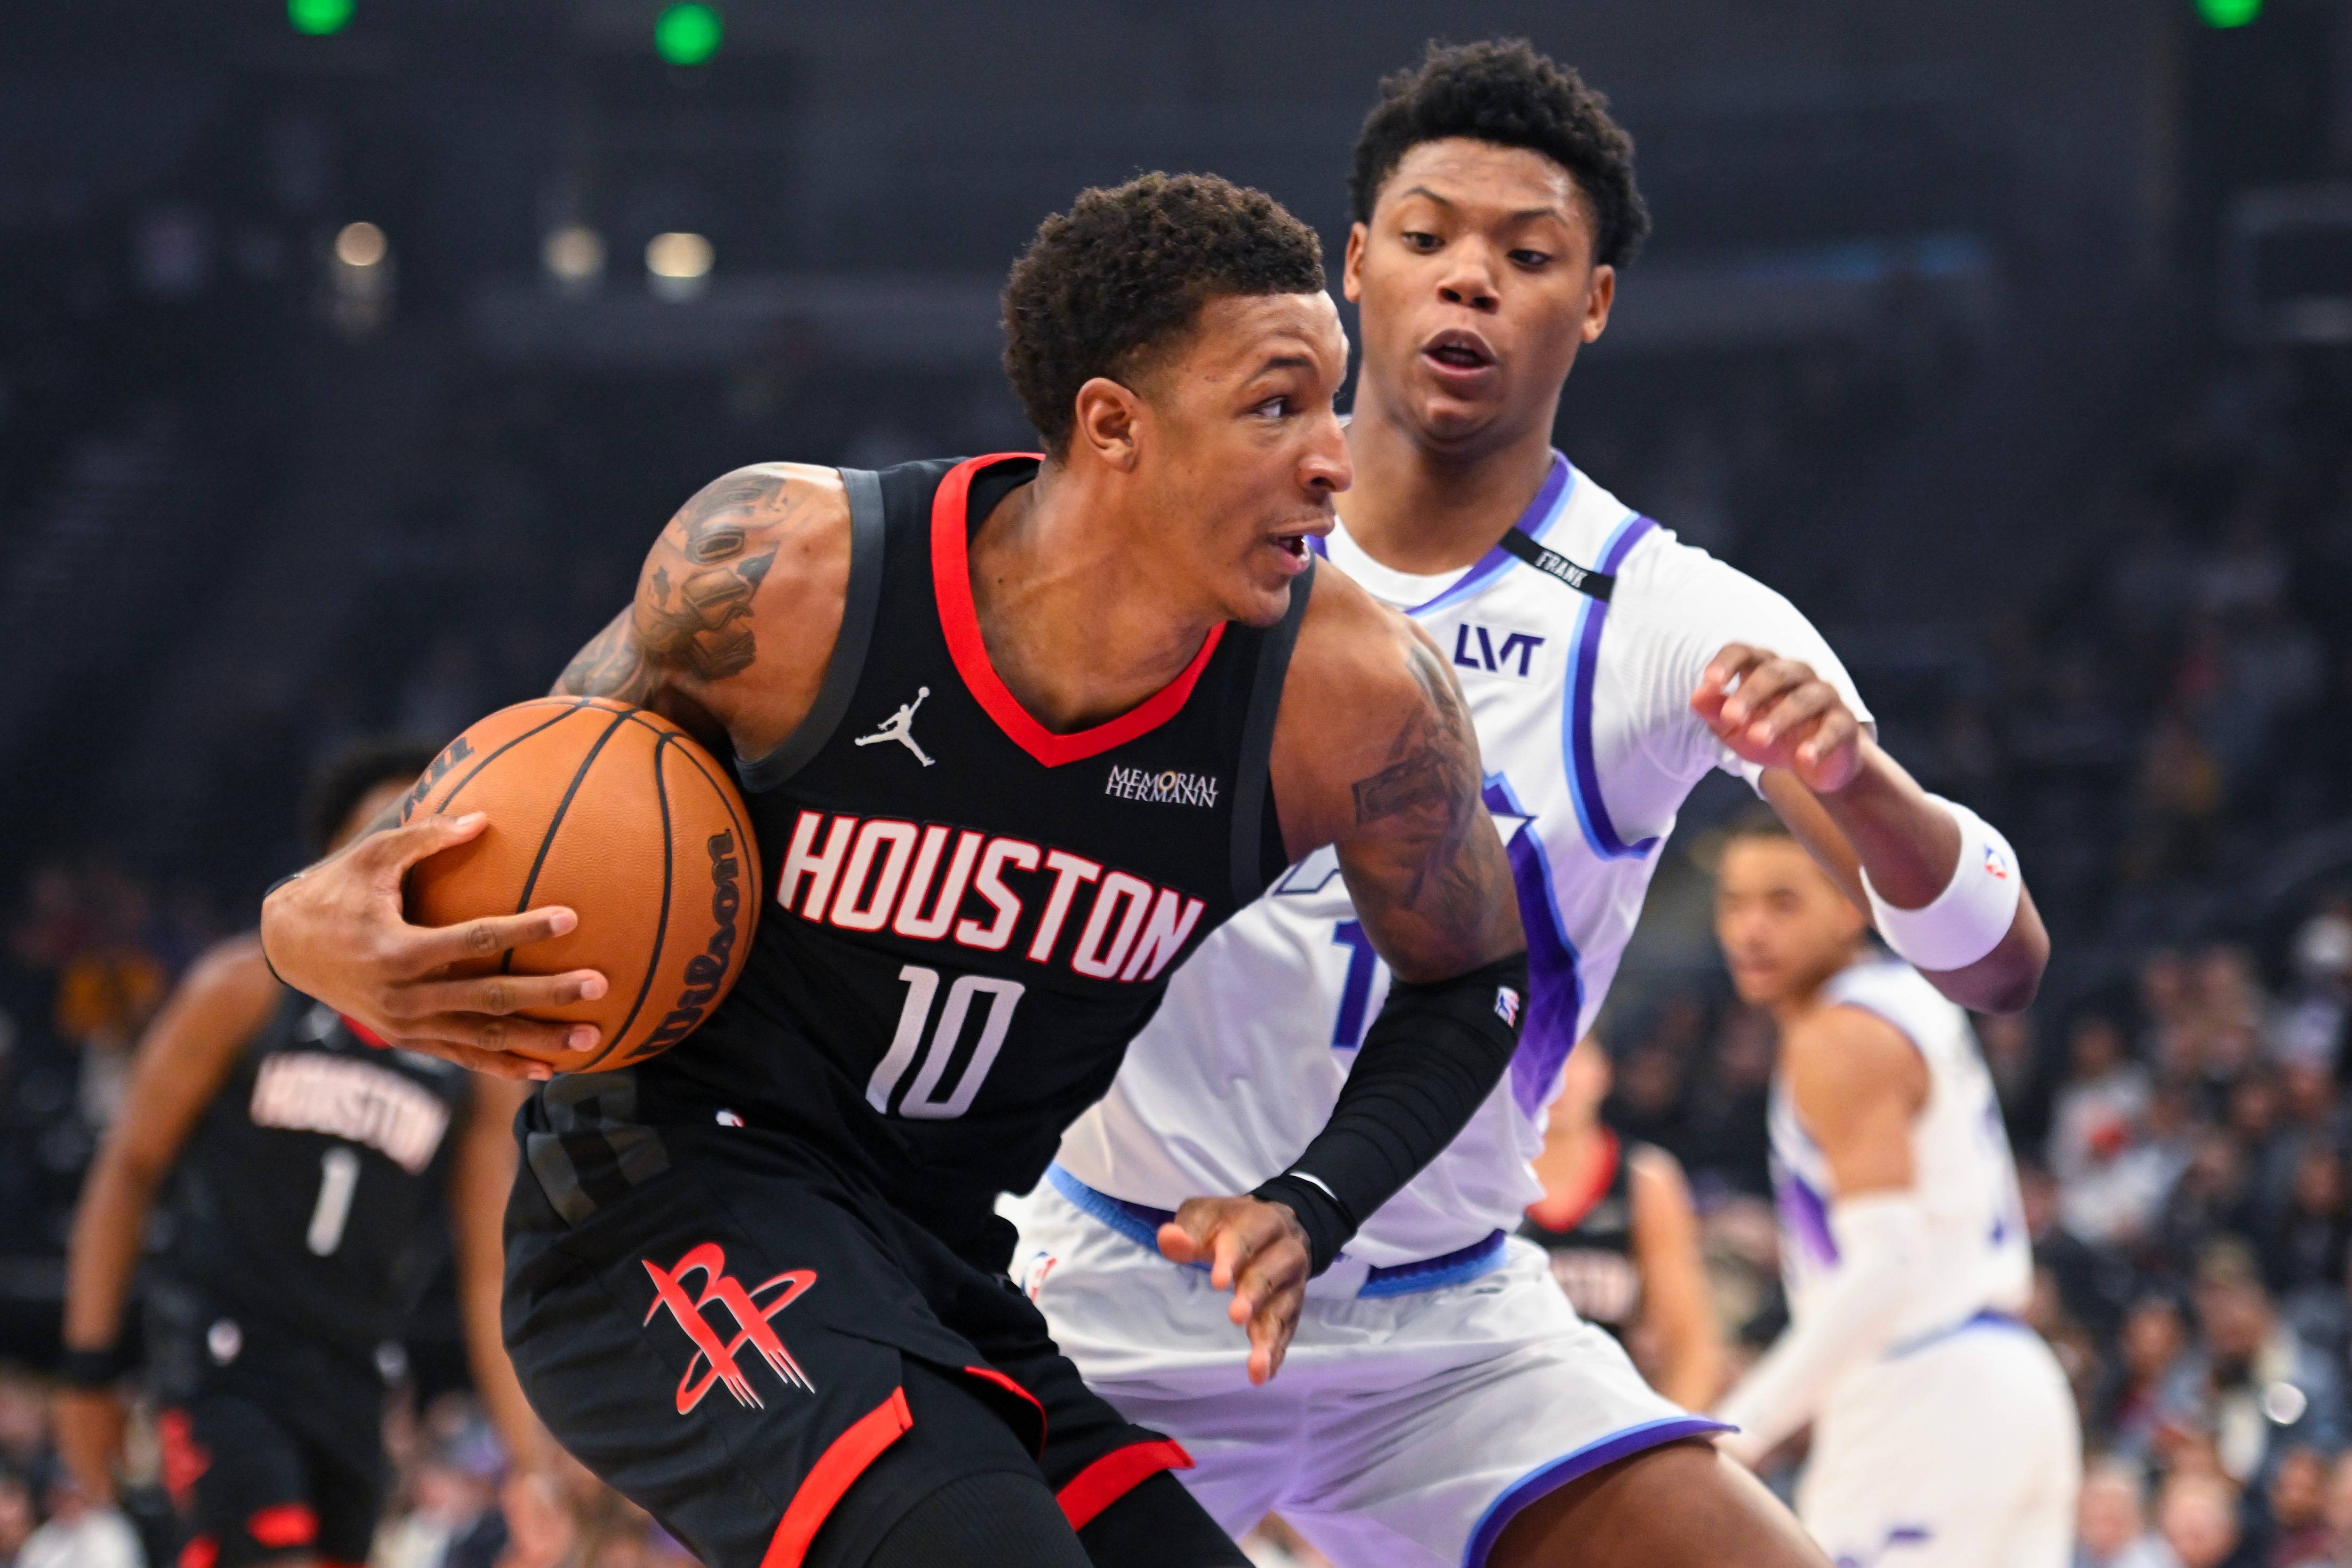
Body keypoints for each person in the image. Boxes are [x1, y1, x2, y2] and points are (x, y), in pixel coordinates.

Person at [257, 172, 1532, 1568]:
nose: (1337, 458)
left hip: (940, 1258)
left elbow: (1472, 975)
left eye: (1335, 403)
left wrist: (1315, 1199)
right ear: (1113, 425)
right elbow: (519, 816)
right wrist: (303, 925)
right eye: (1277, 407)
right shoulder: (788, 574)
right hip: (668, 1198)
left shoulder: (1349, 698)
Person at [1004, 37, 2047, 1568]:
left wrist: (1856, 777)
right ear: (1357, 265)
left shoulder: (1667, 615)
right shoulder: (1185, 534)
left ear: (1596, 301)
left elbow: (1997, 962)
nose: (1470, 279)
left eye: (1529, 253)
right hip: (1125, 1281)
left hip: (1450, 1328)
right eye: (1428, 236)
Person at [54, 740, 537, 1568]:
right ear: (331, 865)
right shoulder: (240, 986)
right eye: (381, 835)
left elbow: (489, 1269)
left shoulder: (473, 1051)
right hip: (225, 1353)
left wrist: (532, 1461)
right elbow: (127, 1170)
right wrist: (88, 1369)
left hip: (355, 1375)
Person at [1709, 809, 2082, 1565]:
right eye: (1733, 903)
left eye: (1783, 902)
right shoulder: (1907, 995)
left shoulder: (1839, 1038)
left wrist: (1737, 1431)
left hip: (1927, 1397)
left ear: (1851, 904)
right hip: (2007, 1381)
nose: (1750, 930)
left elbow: (1886, 1270)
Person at [1517, 1035, 1720, 1409]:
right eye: (1538, 1059)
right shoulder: (1481, 1181)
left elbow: (1691, 1345)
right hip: (1505, 1415)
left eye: (1571, 1057)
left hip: (1609, 1415)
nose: (1556, 1077)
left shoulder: (1644, 1180)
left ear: (1602, 1071)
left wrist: (1671, 1432)